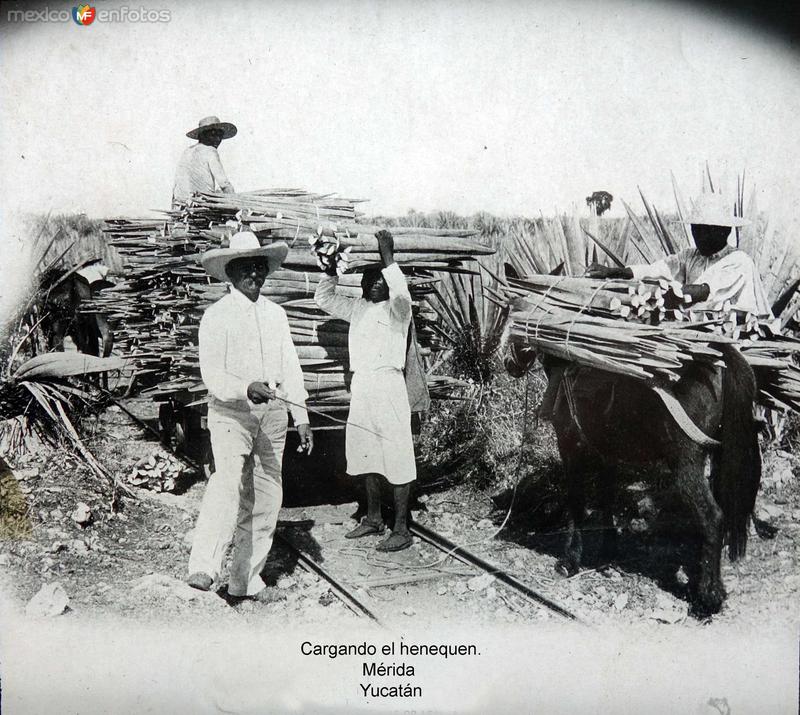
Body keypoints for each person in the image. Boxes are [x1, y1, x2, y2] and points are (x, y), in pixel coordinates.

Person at [187, 231, 314, 601]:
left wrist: (300, 415)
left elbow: (290, 367)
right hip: (231, 413)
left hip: (272, 414)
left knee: (267, 494)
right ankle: (204, 567)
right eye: (245, 267)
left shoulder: (276, 315)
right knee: (227, 483)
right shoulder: (216, 317)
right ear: (230, 272)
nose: (254, 275)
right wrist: (246, 387)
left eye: (259, 267)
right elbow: (213, 375)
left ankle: (245, 580)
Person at [315, 230, 417, 552]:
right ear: (360, 283)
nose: (374, 283)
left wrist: (388, 259)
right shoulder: (358, 309)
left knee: (397, 454)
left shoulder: (398, 311)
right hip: (361, 385)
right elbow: (324, 299)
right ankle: (373, 518)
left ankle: (401, 528)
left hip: (388, 385)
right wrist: (330, 268)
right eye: (368, 278)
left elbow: (401, 293)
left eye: (380, 279)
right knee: (365, 452)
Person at [586, 191, 771, 316]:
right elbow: (657, 269)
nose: (700, 237)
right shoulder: (691, 256)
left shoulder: (738, 261)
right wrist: (613, 272)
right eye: (696, 230)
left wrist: (652, 293)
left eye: (707, 230)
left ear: (725, 231)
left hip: (740, 338)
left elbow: (703, 291)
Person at [172, 116, 237, 209]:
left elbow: (176, 185)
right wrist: (236, 202)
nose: (217, 139)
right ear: (202, 135)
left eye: (220, 135)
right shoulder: (210, 151)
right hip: (199, 205)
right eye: (213, 135)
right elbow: (224, 184)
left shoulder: (186, 151)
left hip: (180, 205)